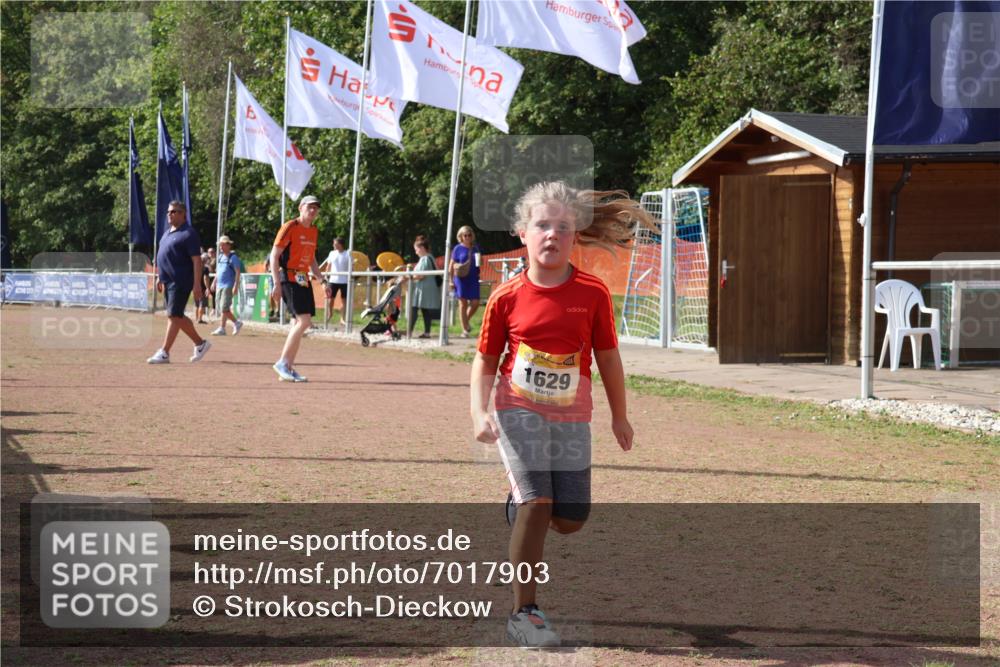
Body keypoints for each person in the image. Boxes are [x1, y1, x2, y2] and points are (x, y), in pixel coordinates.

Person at [469, 182, 653, 648]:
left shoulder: (591, 293)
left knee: (570, 518)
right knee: (539, 504)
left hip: (573, 416)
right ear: (522, 233)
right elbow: (485, 361)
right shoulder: (505, 297)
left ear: (576, 236)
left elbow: (609, 358)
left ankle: (522, 503)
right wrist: (478, 412)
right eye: (542, 225)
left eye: (563, 227)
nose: (552, 234)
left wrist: (619, 416)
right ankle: (523, 612)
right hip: (517, 409)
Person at [269, 195, 332, 382]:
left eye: (316, 208)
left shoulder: (313, 231)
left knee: (303, 322)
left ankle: (287, 366)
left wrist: (321, 280)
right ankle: (282, 363)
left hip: (303, 278)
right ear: (300, 208)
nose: (313, 211)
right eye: (309, 207)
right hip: (288, 276)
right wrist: (276, 283)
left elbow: (311, 258)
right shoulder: (290, 226)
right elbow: (274, 255)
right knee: (303, 321)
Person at [147, 201, 211, 364]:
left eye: (174, 211)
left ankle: (165, 352)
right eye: (169, 211)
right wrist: (159, 276)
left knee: (173, 315)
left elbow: (197, 261)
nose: (170, 214)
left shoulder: (189, 233)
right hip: (167, 280)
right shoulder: (167, 233)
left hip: (181, 280)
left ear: (184, 214)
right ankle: (200, 343)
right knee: (176, 316)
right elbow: (163, 256)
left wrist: (197, 284)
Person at [405, 239, 440, 338]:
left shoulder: (425, 259)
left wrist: (408, 277)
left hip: (424, 289)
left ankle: (409, 331)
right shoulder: (430, 257)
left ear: (422, 248)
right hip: (426, 289)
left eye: (416, 249)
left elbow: (421, 275)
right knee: (425, 310)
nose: (416, 252)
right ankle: (426, 332)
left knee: (414, 308)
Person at [450, 225, 482, 337]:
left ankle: (465, 321)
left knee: (475, 303)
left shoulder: (475, 248)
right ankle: (465, 330)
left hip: (473, 278)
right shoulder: (457, 249)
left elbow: (479, 264)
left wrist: (479, 262)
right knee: (462, 303)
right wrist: (450, 281)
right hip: (461, 279)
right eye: (465, 235)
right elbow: (451, 266)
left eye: (469, 235)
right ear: (461, 236)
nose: (467, 237)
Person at [209, 235, 244, 336]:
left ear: (228, 246)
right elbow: (218, 271)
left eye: (223, 245)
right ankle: (222, 328)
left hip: (228, 285)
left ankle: (236, 323)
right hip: (219, 285)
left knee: (224, 307)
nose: (221, 247)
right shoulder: (220, 257)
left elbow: (238, 272)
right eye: (220, 245)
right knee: (221, 308)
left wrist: (235, 286)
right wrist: (214, 282)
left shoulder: (233, 257)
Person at [318, 237, 350, 328]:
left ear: (340, 244)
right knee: (330, 299)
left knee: (344, 301)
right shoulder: (332, 253)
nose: (333, 245)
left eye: (335, 244)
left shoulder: (347, 254)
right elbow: (329, 265)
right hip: (333, 280)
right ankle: (330, 313)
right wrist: (326, 276)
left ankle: (342, 318)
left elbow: (351, 267)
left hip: (344, 281)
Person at [195, 247, 211, 323]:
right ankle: (200, 319)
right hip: (202, 288)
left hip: (195, 287)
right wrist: (207, 288)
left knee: (197, 304)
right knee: (202, 304)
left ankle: (196, 318)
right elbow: (205, 278)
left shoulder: (196, 267)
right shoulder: (205, 269)